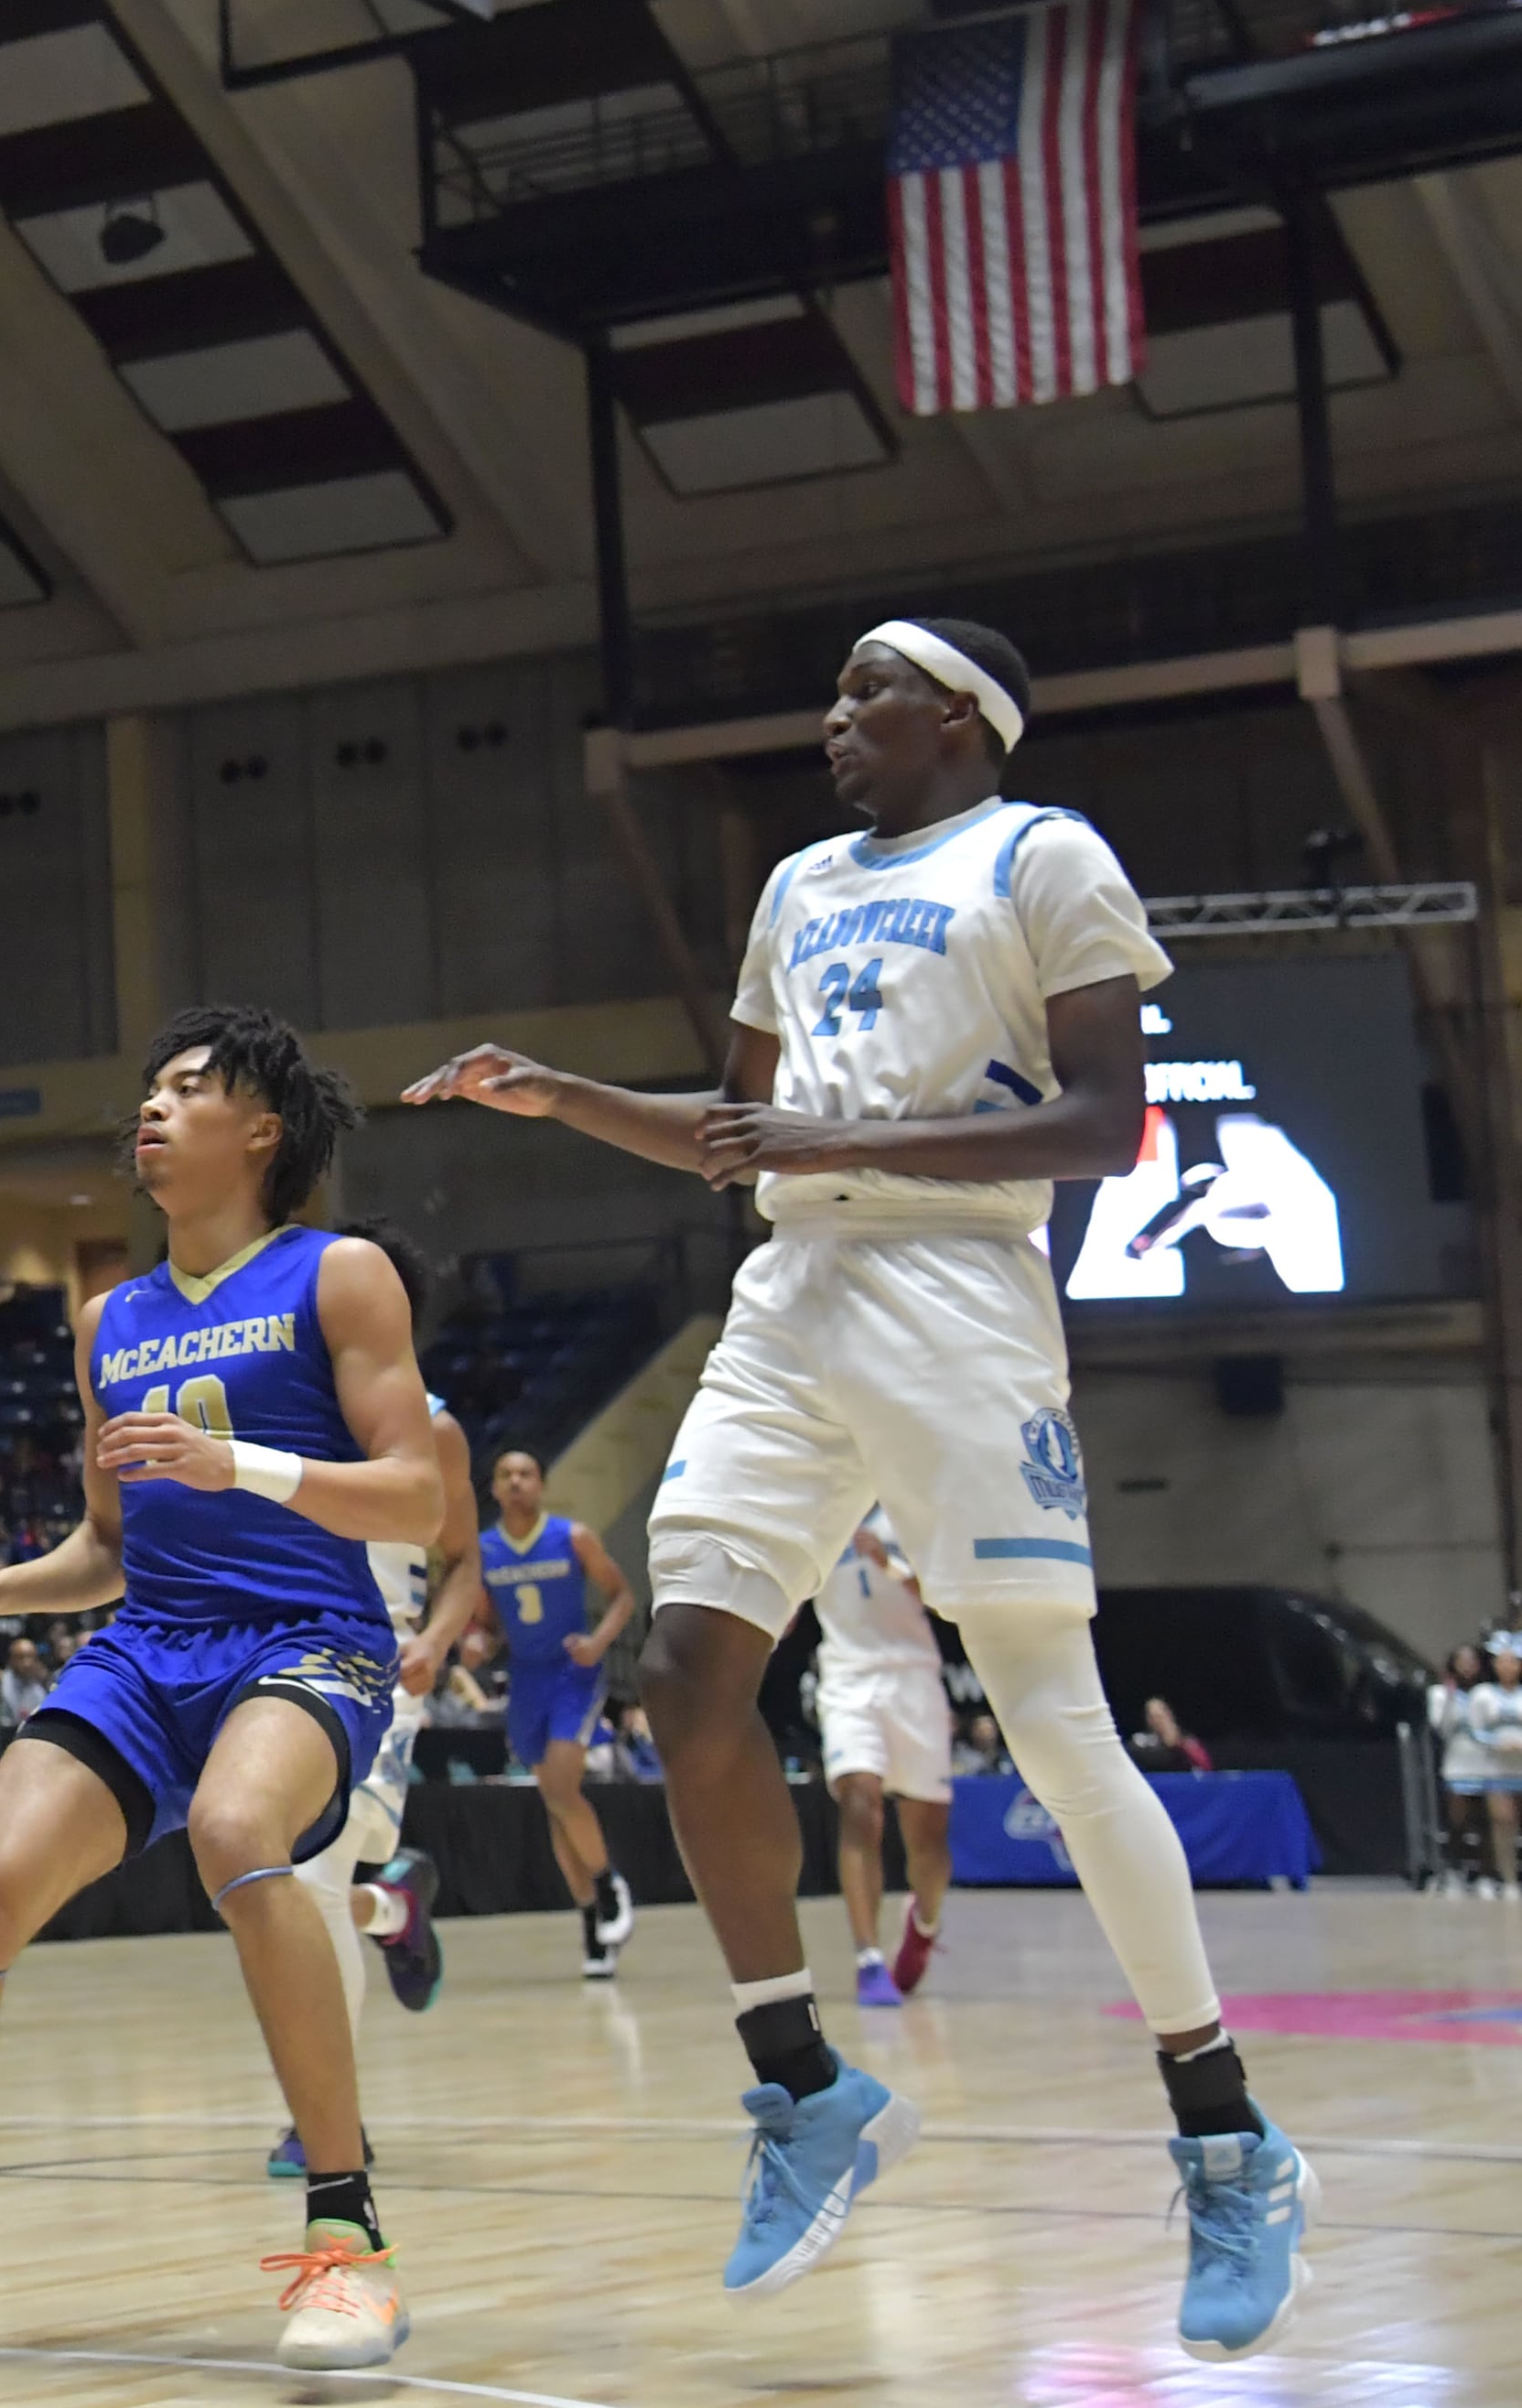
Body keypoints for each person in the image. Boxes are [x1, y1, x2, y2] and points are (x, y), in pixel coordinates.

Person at [405, 614, 1315, 2356]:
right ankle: (801, 2085)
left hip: (959, 1289)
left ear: (963, 718)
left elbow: (1107, 1120)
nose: (834, 717)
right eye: (835, 692)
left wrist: (852, 1143)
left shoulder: (1043, 854)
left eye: (867, 691)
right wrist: (567, 1097)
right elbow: (746, 1132)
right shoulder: (801, 885)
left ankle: (1226, 2130)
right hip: (789, 1299)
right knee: (683, 1677)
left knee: (1052, 1721)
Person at [0, 1006, 441, 2375]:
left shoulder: (341, 1276)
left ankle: (348, 2243)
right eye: (149, 1090)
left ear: (262, 1130)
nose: (150, 1107)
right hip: (147, 1646)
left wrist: (250, 1469)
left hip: (303, 1638)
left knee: (234, 1829)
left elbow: (418, 1489)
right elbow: (106, 1548)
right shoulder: (113, 1317)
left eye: (188, 1089)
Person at [270, 1374, 477, 2177]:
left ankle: (325, 2126)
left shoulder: (434, 1427)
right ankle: (391, 1907)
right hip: (268, 1666)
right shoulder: (273, 1401)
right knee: (272, 1892)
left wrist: (436, 1641)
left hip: (374, 1667)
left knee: (311, 1883)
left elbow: (463, 1562)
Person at [476, 1448, 635, 1978]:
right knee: (554, 1804)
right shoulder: (485, 1551)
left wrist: (597, 1642)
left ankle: (610, 1885)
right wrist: (478, 1643)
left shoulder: (573, 1536)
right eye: (507, 1475)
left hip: (573, 1674)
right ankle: (591, 1917)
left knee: (563, 1790)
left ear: (541, 1484)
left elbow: (622, 1597)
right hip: (526, 1680)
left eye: (526, 1473)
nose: (517, 1481)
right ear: (495, 1488)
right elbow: (488, 1627)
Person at [815, 1511, 955, 2006]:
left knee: (929, 1843)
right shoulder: (815, 1517)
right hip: (847, 1679)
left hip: (914, 1680)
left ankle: (925, 1922)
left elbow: (948, 1599)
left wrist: (888, 1563)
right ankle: (868, 1960)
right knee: (858, 1803)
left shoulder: (907, 1512)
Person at [1453, 1635, 1522, 1893]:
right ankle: (1507, 1876)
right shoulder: (1483, 1695)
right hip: (1497, 1767)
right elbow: (1472, 1730)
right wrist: (1496, 1742)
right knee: (1503, 1821)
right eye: (1502, 1663)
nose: (1508, 1668)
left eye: (1513, 1662)